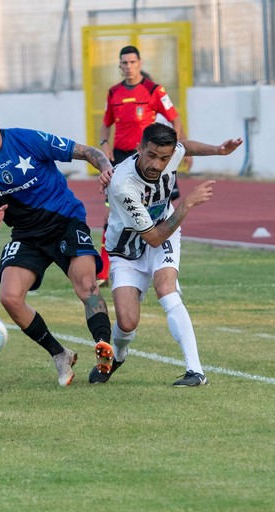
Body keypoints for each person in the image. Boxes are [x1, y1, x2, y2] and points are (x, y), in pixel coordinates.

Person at [0, 95, 115, 386]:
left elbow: (86, 151)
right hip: (27, 234)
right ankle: (59, 354)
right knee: (10, 297)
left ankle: (103, 345)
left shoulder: (27, 140)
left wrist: (105, 167)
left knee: (87, 285)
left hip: (65, 220)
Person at [92, 123, 243, 386]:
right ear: (139, 149)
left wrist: (218, 150)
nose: (157, 164)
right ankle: (118, 355)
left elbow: (184, 146)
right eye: (150, 155)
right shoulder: (123, 185)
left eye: (164, 158)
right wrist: (187, 203)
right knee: (127, 323)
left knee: (166, 289)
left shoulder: (170, 153)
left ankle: (195, 371)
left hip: (165, 228)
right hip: (127, 249)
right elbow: (152, 238)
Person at [96, 46, 191, 287]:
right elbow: (105, 125)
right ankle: (105, 270)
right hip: (122, 160)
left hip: (152, 159)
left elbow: (175, 119)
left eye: (132, 62)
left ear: (139, 63)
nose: (128, 67)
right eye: (124, 63)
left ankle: (163, 263)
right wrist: (104, 143)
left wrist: (175, 150)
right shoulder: (113, 92)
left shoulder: (154, 90)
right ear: (120, 66)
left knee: (161, 208)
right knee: (112, 213)